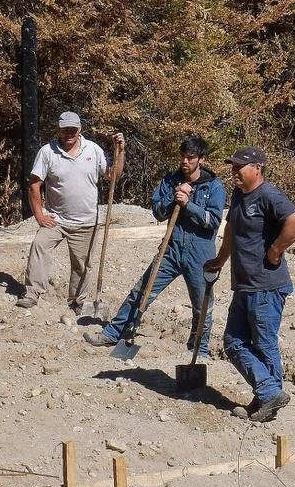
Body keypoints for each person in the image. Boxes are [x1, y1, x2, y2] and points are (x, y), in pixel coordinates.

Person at [84, 136, 226, 355]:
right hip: (171, 248)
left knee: (202, 305)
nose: (185, 161)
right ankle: (113, 333)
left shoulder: (214, 186)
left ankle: (199, 351)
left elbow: (213, 221)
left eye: (190, 157)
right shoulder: (171, 180)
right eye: (183, 156)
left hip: (200, 253)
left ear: (201, 159)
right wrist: (174, 197)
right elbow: (158, 212)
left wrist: (188, 204)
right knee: (141, 292)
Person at [204, 147, 295, 423]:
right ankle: (268, 395)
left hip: (266, 285)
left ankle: (268, 397)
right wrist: (220, 260)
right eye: (233, 167)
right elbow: (231, 230)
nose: (234, 172)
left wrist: (275, 250)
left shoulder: (269, 195)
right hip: (245, 284)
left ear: (257, 168)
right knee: (234, 341)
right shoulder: (239, 195)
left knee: (262, 344)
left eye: (240, 167)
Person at [17, 111, 125, 312]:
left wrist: (120, 151)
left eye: (72, 129)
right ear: (59, 130)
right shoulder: (47, 152)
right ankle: (32, 293)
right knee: (39, 245)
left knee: (81, 265)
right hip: (56, 219)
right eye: (65, 129)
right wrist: (39, 215)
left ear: (79, 129)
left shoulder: (93, 150)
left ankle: (77, 302)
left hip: (86, 221)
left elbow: (112, 176)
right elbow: (34, 185)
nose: (69, 133)